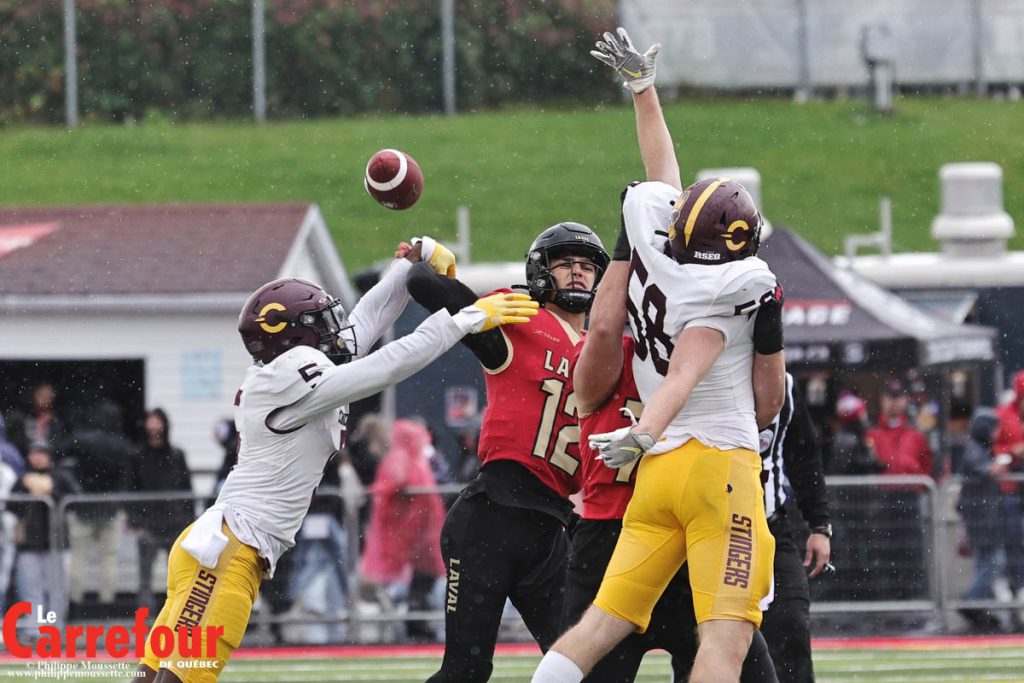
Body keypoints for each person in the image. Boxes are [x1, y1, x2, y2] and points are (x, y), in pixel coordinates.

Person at [135, 238, 537, 683]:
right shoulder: (288, 377)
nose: (336, 331)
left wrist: (407, 268)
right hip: (229, 553)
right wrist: (466, 319)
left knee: (154, 675)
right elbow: (386, 365)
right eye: (321, 322)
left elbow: (362, 327)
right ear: (293, 335)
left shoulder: (294, 366)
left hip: (222, 545)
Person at [532, 28, 784, 683]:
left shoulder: (652, 235)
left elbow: (661, 175)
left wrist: (643, 91)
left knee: (594, 628)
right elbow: (743, 393)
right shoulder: (733, 288)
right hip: (714, 467)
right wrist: (770, 332)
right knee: (723, 646)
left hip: (658, 477)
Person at [562, 253, 779, 682]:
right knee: (729, 652)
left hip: (621, 527)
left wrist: (631, 246)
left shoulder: (620, 349)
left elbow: (606, 329)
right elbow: (763, 408)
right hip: (682, 525)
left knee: (590, 643)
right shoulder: (701, 347)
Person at [408, 220, 610, 681]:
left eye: (587, 266)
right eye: (565, 264)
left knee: (583, 669)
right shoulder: (521, 317)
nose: (578, 273)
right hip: (490, 518)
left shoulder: (605, 351)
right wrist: (443, 273)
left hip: (552, 530)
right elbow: (421, 284)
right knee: (466, 671)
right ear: (541, 272)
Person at [757, 374, 832, 683]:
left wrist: (819, 524)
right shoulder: (697, 372)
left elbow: (803, 454)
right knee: (700, 640)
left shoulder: (782, 382)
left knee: (792, 629)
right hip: (707, 532)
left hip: (770, 526)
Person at [359, 418, 447, 642]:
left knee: (410, 584)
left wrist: (376, 490)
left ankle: (411, 624)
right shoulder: (412, 459)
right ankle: (411, 624)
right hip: (411, 533)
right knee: (409, 584)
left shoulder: (405, 459)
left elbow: (396, 482)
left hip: (410, 533)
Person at [866, 379, 933, 602]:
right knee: (885, 552)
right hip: (883, 498)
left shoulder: (915, 434)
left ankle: (912, 600)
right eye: (890, 398)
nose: (894, 404)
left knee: (911, 552)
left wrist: (918, 484)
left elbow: (928, 464)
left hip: (907, 497)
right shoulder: (873, 434)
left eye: (898, 398)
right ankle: (888, 600)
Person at [63, 400, 133, 606]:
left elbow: (58, 452)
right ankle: (107, 602)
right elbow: (126, 476)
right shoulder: (121, 444)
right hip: (110, 507)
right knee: (109, 558)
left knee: (78, 558)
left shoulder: (81, 439)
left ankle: (75, 601)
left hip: (81, 504)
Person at [128, 408, 194, 611]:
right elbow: (131, 488)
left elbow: (186, 488)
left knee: (178, 574)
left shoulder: (176, 455)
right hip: (149, 523)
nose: (154, 426)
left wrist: (188, 520)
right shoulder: (137, 456)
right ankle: (146, 615)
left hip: (175, 523)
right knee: (145, 575)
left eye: (157, 421)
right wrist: (136, 521)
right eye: (151, 421)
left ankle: (177, 612)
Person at [10, 443, 79, 628]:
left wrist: (50, 492)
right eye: (34, 454)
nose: (38, 458)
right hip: (29, 543)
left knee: (57, 590)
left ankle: (55, 629)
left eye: (42, 454)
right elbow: (12, 506)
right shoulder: (23, 479)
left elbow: (75, 501)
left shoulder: (61, 477)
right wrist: (27, 490)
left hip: (56, 542)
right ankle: (35, 630)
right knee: (31, 590)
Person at [956, 408, 1009, 633]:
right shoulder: (974, 450)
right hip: (980, 517)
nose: (997, 433)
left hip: (983, 516)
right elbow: (987, 470)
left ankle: (978, 607)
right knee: (995, 560)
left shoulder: (980, 448)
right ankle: (971, 601)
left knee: (985, 562)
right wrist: (1007, 461)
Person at [994, 370, 1024, 612]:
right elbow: (994, 446)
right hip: (1011, 488)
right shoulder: (1004, 415)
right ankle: (1016, 585)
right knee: (1013, 540)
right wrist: (1013, 451)